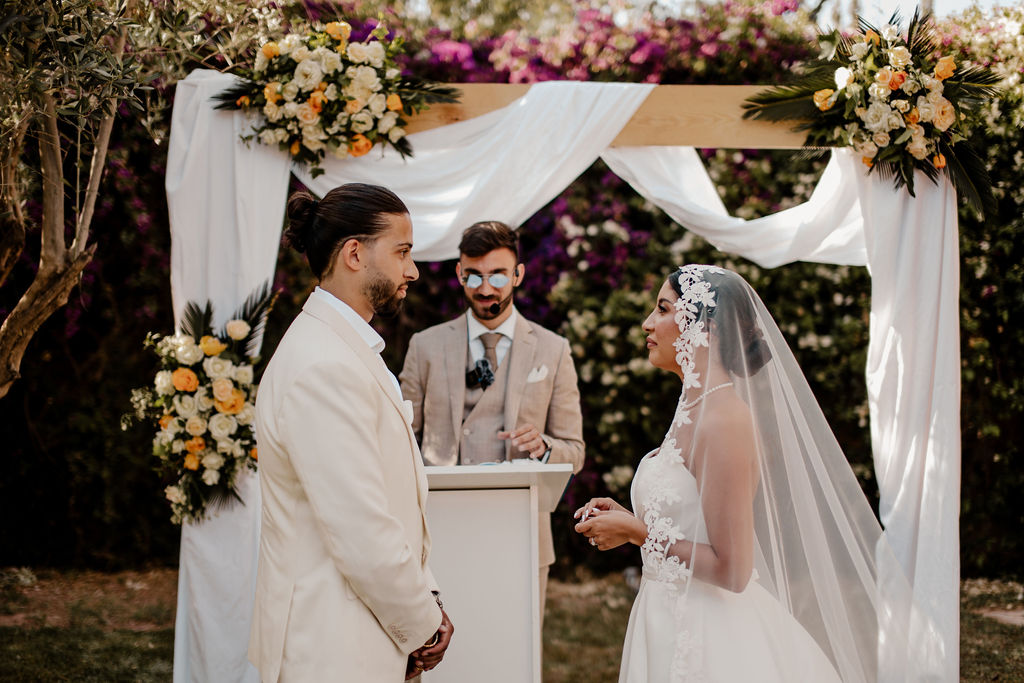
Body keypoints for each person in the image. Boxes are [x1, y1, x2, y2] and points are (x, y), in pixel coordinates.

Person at [574, 264, 939, 682]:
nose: (647, 323)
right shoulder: (692, 407)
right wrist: (627, 520)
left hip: (708, 635)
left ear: (705, 330)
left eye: (662, 309)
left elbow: (732, 570)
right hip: (665, 616)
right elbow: (691, 516)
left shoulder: (724, 421)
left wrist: (638, 534)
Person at [250, 183, 453, 682]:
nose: (413, 270)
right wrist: (423, 626)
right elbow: (361, 529)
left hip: (361, 632)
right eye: (402, 252)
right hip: (329, 644)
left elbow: (393, 505)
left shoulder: (347, 349)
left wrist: (425, 601)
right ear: (355, 254)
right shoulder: (323, 364)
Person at [399, 220, 585, 615]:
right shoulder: (425, 346)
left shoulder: (553, 350)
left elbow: (575, 451)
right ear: (459, 273)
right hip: (441, 528)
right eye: (474, 276)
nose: (485, 289)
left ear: (518, 273)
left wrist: (545, 446)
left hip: (522, 532)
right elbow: (398, 438)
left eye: (498, 275)